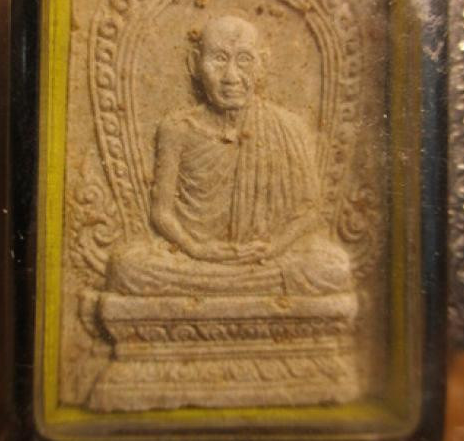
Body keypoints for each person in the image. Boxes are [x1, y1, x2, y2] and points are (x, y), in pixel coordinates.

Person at [107, 15, 352, 296]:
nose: (231, 77)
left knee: (332, 267)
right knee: (128, 267)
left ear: (262, 65)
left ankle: (224, 286)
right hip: (195, 257)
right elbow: (162, 212)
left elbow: (309, 210)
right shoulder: (178, 128)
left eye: (244, 60)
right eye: (219, 59)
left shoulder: (289, 127)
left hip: (267, 258)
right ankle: (240, 286)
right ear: (194, 64)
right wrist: (197, 249)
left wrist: (275, 247)